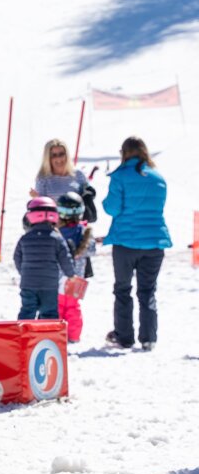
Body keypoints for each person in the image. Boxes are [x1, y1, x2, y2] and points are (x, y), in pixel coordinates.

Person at [103, 136, 170, 351]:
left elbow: (112, 208)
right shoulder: (158, 178)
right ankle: (148, 338)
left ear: (124, 153)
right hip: (154, 244)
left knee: (123, 289)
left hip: (125, 243)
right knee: (148, 291)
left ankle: (124, 336)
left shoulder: (120, 176)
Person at [13, 198, 74, 320]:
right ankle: (47, 337)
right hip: (49, 285)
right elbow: (65, 258)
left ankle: (23, 336)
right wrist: (71, 274)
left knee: (27, 310)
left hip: (28, 283)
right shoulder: (56, 238)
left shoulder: (25, 238)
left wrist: (24, 273)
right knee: (49, 312)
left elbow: (17, 258)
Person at [56, 192, 94, 343]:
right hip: (77, 276)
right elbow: (91, 250)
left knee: (58, 306)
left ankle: (57, 334)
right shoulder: (84, 231)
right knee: (73, 307)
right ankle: (73, 335)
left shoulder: (57, 231)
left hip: (59, 276)